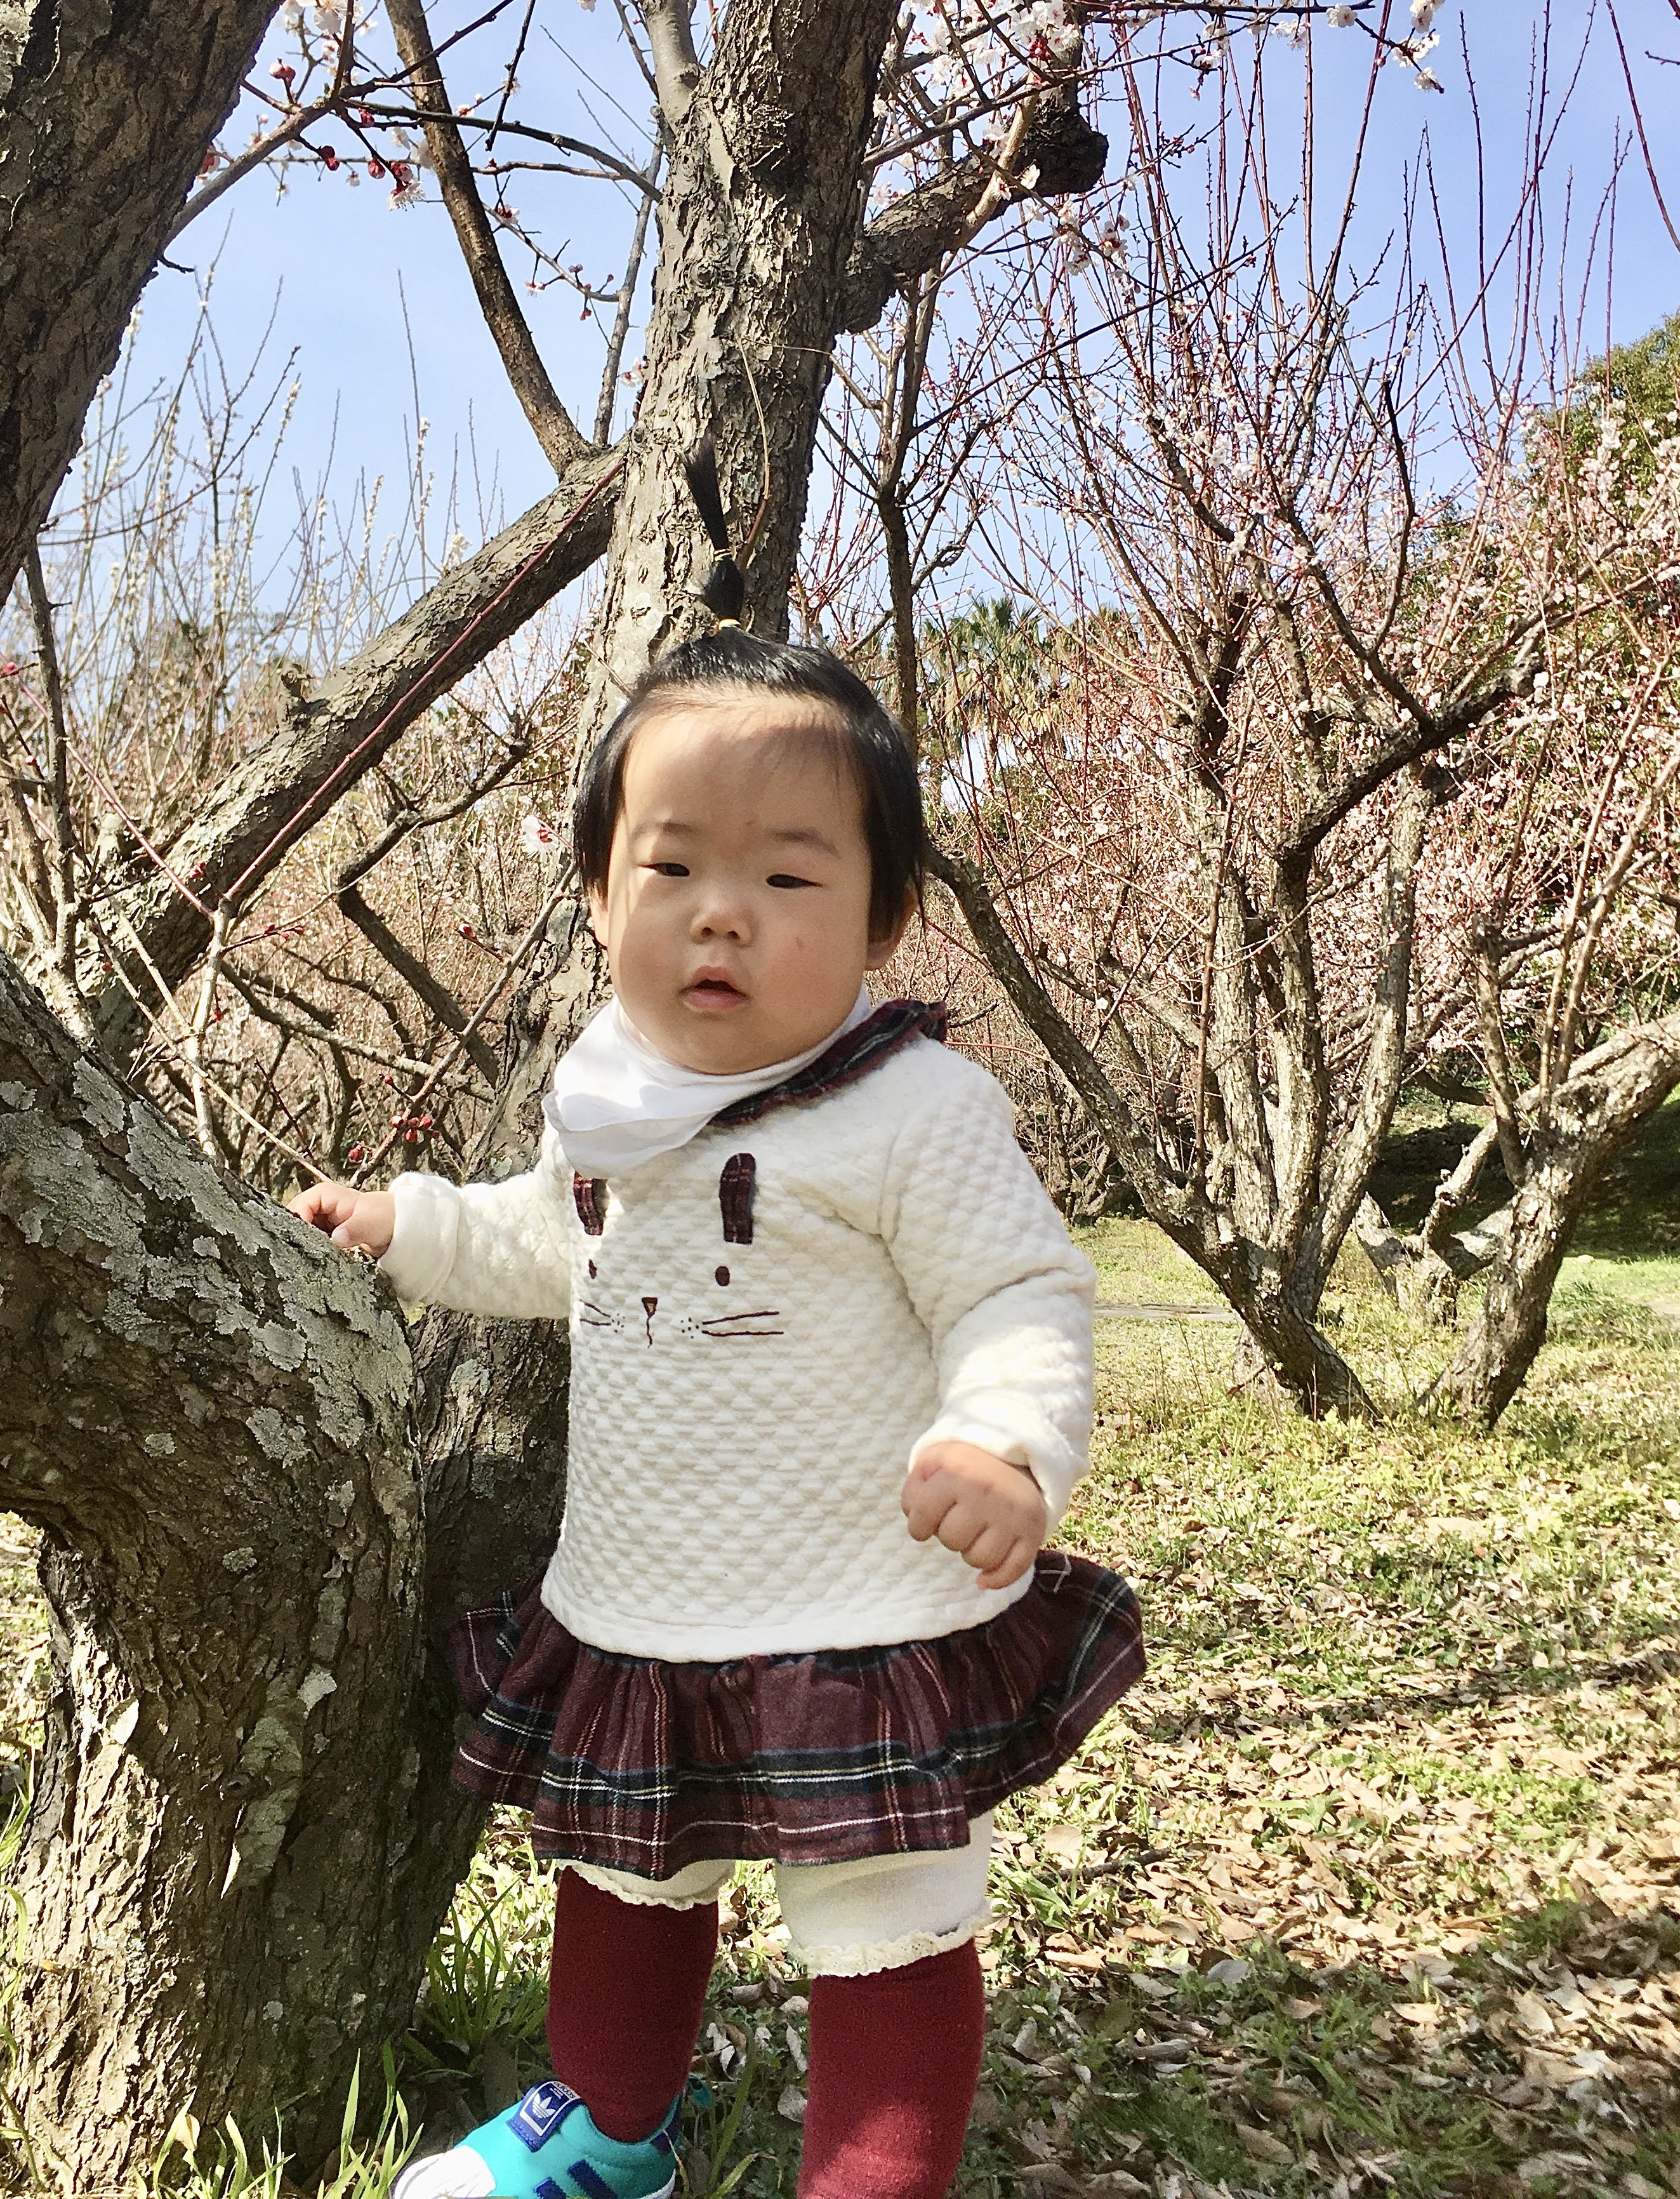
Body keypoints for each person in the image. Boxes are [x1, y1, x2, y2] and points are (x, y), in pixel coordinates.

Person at [291, 630, 1144, 2199]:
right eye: (672, 867)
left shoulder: (911, 1113)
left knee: (888, 1928)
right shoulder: (608, 1092)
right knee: (624, 1882)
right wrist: (408, 1224)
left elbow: (1022, 1294)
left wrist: (1004, 1441)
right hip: (641, 1597)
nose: (723, 913)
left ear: (887, 917)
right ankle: (613, 2133)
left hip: (857, 1613)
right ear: (604, 899)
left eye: (792, 878)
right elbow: (557, 1242)